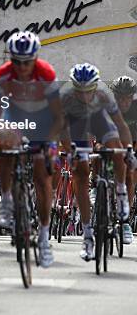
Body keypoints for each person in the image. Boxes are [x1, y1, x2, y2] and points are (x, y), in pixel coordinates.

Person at [0, 31, 64, 268]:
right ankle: (7, 199)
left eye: (27, 62)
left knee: (42, 177)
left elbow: (58, 118)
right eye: (17, 62)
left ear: (35, 59)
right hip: (15, 116)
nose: (22, 67)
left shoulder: (46, 74)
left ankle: (44, 237)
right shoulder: (2, 75)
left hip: (44, 119)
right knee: (2, 143)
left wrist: (47, 143)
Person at [61, 64, 133, 259]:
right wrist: (71, 151)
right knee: (80, 175)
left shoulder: (104, 96)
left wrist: (129, 150)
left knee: (116, 148)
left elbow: (121, 125)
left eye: (89, 91)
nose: (84, 95)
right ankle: (87, 236)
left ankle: (120, 192)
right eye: (80, 90)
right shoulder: (65, 99)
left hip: (100, 121)